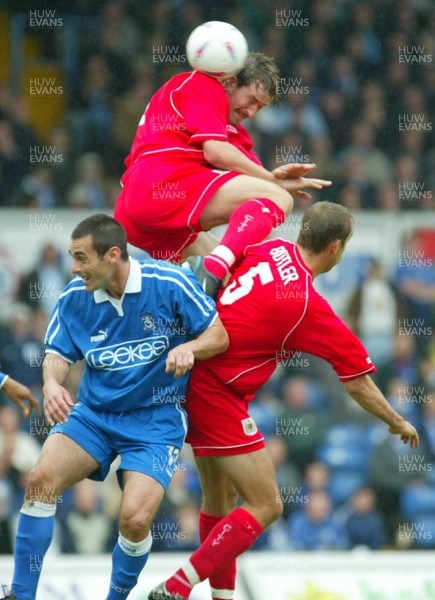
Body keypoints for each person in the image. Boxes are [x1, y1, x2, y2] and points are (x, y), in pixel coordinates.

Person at [148, 202, 419, 600]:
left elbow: (213, 253)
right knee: (268, 504)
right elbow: (358, 384)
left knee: (220, 504)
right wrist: (397, 421)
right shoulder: (306, 305)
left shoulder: (270, 249)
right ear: (335, 248)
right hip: (218, 393)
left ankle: (219, 597)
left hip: (201, 379)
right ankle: (176, 587)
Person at [5, 214, 228, 600]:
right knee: (40, 481)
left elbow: (219, 334)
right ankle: (21, 595)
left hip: (155, 420)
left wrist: (190, 348)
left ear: (112, 255)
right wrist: (52, 382)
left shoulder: (169, 282)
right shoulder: (74, 297)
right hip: (95, 415)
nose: (74, 268)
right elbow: (57, 353)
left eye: (81, 257)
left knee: (136, 519)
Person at [114, 52, 331, 295]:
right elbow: (217, 153)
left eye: (259, 107)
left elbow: (251, 182)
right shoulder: (202, 84)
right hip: (159, 184)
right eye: (251, 100)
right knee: (280, 200)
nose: (251, 112)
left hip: (143, 215)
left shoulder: (231, 130)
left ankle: (209, 286)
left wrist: (277, 178)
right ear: (229, 82)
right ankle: (214, 268)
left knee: (229, 284)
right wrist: (273, 183)